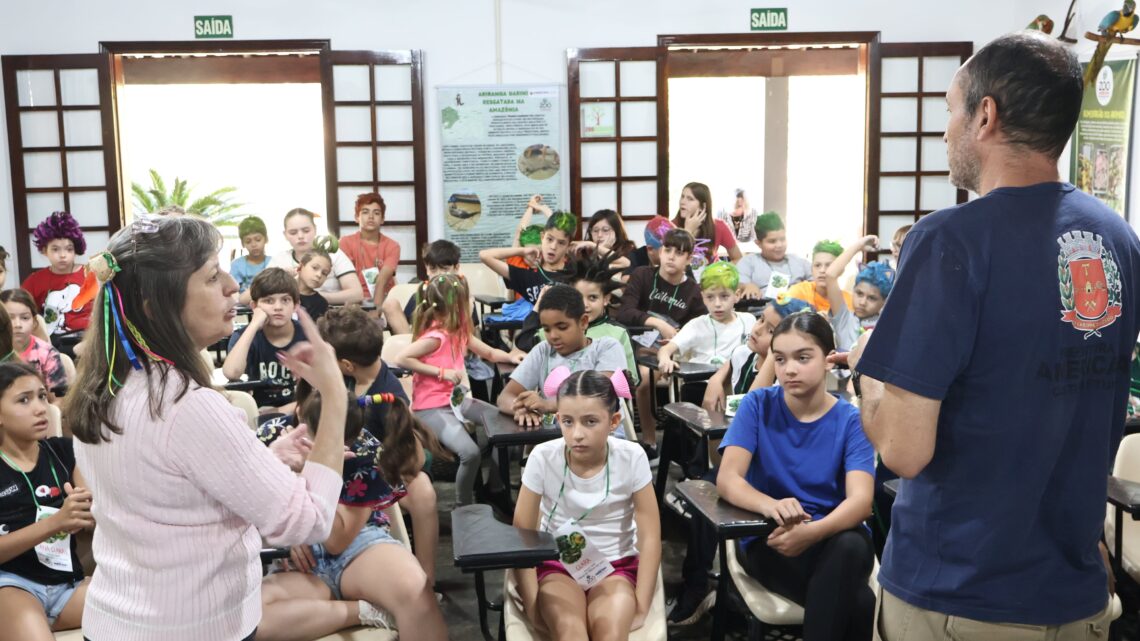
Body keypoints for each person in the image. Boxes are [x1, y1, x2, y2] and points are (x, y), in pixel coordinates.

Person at [851, 32, 1140, 640]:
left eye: (952, 111)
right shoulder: (1118, 240)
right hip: (1075, 590)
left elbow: (904, 451)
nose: (946, 130)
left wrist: (868, 381)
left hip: (960, 591)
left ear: (986, 115)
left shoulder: (951, 240)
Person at [68, 215, 350, 641]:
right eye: (211, 276)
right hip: (191, 627)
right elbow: (306, 522)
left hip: (116, 620)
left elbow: (165, 493)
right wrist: (334, 399)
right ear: (157, 307)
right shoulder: (185, 405)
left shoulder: (103, 387)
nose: (232, 288)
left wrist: (264, 462)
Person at [718, 312, 875, 641]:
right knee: (860, 602)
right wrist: (770, 504)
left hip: (833, 536)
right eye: (780, 359)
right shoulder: (758, 405)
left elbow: (861, 503)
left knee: (849, 545)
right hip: (773, 538)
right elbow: (728, 479)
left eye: (803, 358)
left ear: (829, 360)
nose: (789, 369)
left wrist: (812, 533)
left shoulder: (850, 419)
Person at [257, 383, 447, 641]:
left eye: (341, 445)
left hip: (360, 547)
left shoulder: (365, 448)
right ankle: (365, 611)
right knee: (252, 619)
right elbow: (249, 512)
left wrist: (309, 472)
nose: (337, 452)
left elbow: (336, 540)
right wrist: (292, 530)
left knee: (416, 591)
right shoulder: (268, 436)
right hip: (297, 559)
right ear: (300, 414)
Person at [512, 369, 660, 639]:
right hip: (558, 567)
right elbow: (523, 533)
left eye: (590, 422)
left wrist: (642, 602)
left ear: (614, 421)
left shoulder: (631, 457)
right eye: (568, 422)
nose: (577, 433)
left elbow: (650, 535)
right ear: (557, 418)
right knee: (570, 633)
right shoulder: (542, 458)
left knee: (611, 634)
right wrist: (533, 603)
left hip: (616, 568)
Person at [317, 306, 442, 588]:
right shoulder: (342, 379)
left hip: (383, 468)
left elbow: (414, 460)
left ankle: (426, 579)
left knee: (422, 491)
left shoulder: (388, 397)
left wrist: (378, 471)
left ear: (348, 364)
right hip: (341, 466)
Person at [395, 273, 521, 506]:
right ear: (453, 306)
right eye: (466, 300)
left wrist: (512, 356)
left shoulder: (458, 332)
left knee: (505, 428)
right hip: (431, 408)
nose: (470, 303)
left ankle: (494, 488)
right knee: (470, 454)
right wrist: (441, 373)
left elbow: (490, 353)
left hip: (456, 400)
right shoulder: (435, 337)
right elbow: (402, 358)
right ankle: (463, 507)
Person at [0, 362, 91, 640]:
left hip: (69, 586)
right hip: (12, 586)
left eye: (42, 396)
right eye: (24, 400)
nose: (40, 408)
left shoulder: (65, 450)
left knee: (147, 610)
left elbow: (93, 512)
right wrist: (56, 522)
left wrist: (87, 513)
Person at [617, 228, 707, 449]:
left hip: (670, 350)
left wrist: (677, 338)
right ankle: (647, 439)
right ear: (660, 251)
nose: (671, 256)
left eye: (679, 252)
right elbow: (625, 312)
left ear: (688, 258)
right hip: (636, 345)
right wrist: (658, 323)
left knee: (648, 376)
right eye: (667, 249)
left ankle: (664, 442)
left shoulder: (693, 290)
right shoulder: (643, 275)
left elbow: (700, 326)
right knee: (641, 377)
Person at [498, 286, 628, 432]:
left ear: (583, 322)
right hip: (555, 441)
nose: (553, 336)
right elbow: (505, 396)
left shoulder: (607, 347)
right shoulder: (543, 351)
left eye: (562, 327)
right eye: (546, 329)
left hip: (603, 439)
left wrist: (548, 405)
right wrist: (520, 409)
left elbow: (599, 397)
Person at [542, 253, 639, 384]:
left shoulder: (618, 333)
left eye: (592, 297)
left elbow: (632, 380)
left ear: (606, 299)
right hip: (556, 402)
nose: (585, 305)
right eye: (578, 296)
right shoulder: (550, 332)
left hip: (605, 401)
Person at [224, 268, 307, 412]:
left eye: (285, 300)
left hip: (299, 413)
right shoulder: (243, 336)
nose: (278, 307)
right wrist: (254, 325)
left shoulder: (308, 336)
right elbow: (232, 373)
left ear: (295, 306)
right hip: (256, 413)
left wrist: (276, 412)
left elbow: (320, 393)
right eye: (269, 301)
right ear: (254, 306)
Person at [656, 261, 755, 375]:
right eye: (710, 297)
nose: (717, 304)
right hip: (702, 382)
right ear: (703, 297)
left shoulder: (749, 320)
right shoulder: (696, 325)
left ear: (736, 296)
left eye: (724, 296)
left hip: (738, 386)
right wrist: (665, 360)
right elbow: (665, 350)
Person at [480, 208, 578, 304]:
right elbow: (485, 255)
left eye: (561, 243)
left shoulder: (575, 271)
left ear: (568, 246)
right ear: (542, 237)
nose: (553, 247)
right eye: (549, 239)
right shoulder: (528, 275)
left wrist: (591, 245)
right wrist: (522, 251)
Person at [267, 208, 363, 305]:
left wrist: (313, 297)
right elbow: (258, 292)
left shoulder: (333, 255)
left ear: (315, 229)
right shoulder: (279, 260)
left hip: (331, 316)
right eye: (293, 232)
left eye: (306, 230)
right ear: (285, 235)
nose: (300, 236)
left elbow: (357, 294)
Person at [21, 211, 89, 335]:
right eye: (55, 249)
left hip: (88, 340)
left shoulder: (89, 274)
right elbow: (21, 312)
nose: (63, 255)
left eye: (69, 249)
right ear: (44, 250)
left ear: (76, 250)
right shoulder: (35, 281)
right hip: (51, 344)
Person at [823, 237, 894, 351]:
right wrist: (859, 245)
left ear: (884, 301)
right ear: (853, 290)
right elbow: (831, 275)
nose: (862, 302)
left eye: (872, 298)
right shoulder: (844, 319)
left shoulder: (887, 326)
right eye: (859, 294)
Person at [383, 240, 462, 336]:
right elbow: (411, 326)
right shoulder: (420, 294)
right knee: (390, 304)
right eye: (433, 269)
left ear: (456, 268)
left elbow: (471, 332)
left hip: (451, 344)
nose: (438, 275)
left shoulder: (462, 296)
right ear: (427, 269)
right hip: (418, 343)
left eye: (445, 269)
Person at [339, 192, 401, 305]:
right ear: (356, 217)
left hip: (384, 297)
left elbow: (382, 280)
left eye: (376, 213)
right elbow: (346, 280)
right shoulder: (345, 243)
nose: (371, 217)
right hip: (356, 298)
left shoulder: (392, 246)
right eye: (365, 212)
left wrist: (376, 310)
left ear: (382, 219)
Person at [0, 289, 66, 394]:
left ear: (35, 322)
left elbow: (58, 400)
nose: (17, 324)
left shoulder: (48, 354)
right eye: (10, 318)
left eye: (25, 318)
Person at [738, 212, 812, 299]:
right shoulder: (748, 262)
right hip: (760, 310)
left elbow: (819, 283)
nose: (779, 245)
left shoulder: (799, 262)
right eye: (772, 241)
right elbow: (737, 285)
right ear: (758, 243)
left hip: (799, 310)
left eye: (782, 239)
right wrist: (746, 286)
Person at [672, 182, 741, 264]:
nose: (682, 202)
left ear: (702, 207)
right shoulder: (671, 227)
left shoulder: (719, 226)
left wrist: (719, 270)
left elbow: (738, 259)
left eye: (690, 199)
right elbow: (672, 262)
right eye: (682, 197)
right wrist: (688, 231)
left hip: (710, 275)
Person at [786, 240, 851, 313]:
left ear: (841, 270)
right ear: (811, 269)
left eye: (829, 266)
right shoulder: (799, 292)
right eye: (817, 265)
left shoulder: (848, 302)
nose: (822, 270)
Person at [296, 238, 336, 321]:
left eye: (324, 273)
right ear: (300, 266)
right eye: (315, 268)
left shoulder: (321, 303)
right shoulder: (282, 291)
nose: (319, 275)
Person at [230, 215, 271, 295]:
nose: (254, 244)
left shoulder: (274, 262)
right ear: (242, 243)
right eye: (248, 241)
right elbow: (232, 291)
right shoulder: (237, 265)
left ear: (266, 239)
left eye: (258, 240)